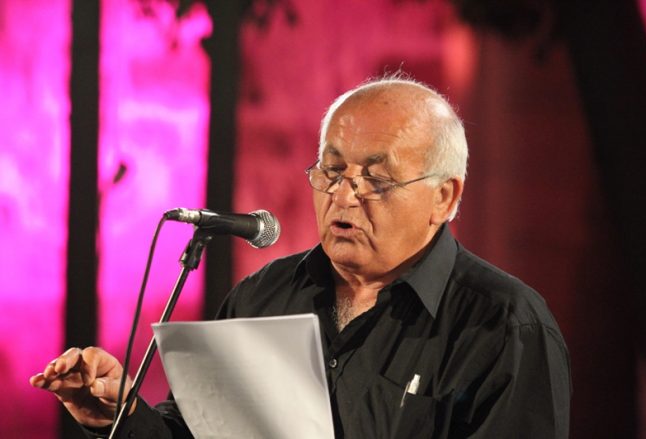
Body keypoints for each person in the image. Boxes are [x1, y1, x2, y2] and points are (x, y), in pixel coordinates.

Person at [30, 76, 571, 438]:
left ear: (444, 198)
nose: (342, 195)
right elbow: (198, 431)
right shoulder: (263, 296)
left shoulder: (506, 327)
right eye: (332, 171)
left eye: (375, 179)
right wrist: (119, 415)